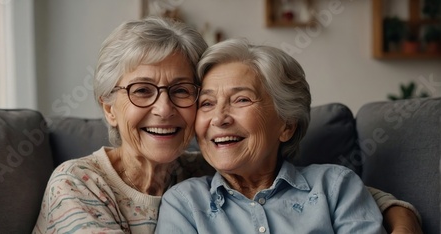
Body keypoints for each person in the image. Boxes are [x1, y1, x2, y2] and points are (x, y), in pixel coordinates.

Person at [33, 17, 421, 234]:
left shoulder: (200, 168)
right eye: (142, 90)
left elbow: (334, 190)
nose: (164, 108)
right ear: (110, 109)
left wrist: (400, 215)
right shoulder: (78, 184)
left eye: (183, 92)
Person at [155, 38, 419, 233]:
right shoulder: (184, 204)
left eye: (241, 99)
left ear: (286, 126)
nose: (219, 118)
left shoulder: (335, 187)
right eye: (207, 103)